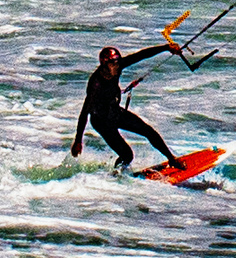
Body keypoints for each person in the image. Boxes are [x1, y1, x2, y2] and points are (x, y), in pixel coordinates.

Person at [70, 43, 186, 171]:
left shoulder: (117, 66)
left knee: (148, 131)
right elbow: (84, 112)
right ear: (105, 64)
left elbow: (141, 55)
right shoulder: (96, 84)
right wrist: (78, 141)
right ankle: (116, 177)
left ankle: (172, 159)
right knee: (127, 155)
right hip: (101, 121)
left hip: (115, 112)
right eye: (113, 64)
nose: (117, 66)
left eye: (118, 62)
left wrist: (166, 47)